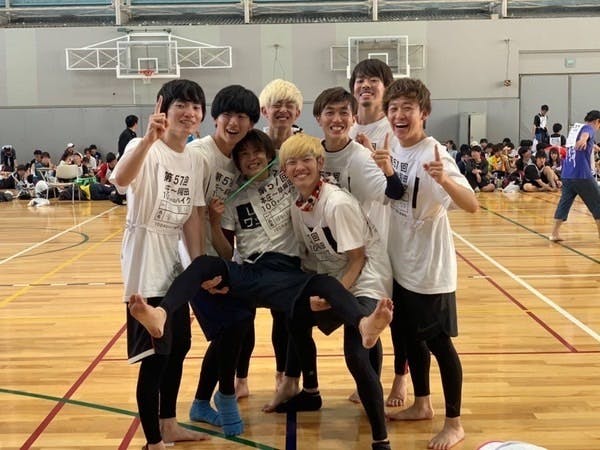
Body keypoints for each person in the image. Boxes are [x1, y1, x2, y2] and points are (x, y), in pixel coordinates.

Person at [109, 79, 210, 450]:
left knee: (179, 346)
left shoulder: (194, 158)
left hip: (173, 261)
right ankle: (153, 441)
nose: (189, 113)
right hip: (144, 257)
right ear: (163, 108)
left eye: (196, 107)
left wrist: (196, 267)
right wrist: (149, 140)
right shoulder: (142, 145)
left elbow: (192, 217)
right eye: (181, 105)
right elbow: (120, 180)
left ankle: (169, 425)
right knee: (156, 356)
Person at [380, 78, 478, 450]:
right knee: (409, 338)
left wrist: (445, 180)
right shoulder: (394, 146)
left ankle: (454, 424)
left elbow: (472, 204)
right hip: (401, 264)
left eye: (407, 107)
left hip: (429, 270)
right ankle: (422, 403)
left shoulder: (434, 153)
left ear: (424, 112)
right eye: (394, 108)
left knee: (439, 345)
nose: (399, 115)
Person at [281, 132, 395, 450]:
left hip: (367, 276)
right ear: (285, 170)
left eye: (307, 160)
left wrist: (332, 296)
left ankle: (381, 438)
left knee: (356, 353)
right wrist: (312, 296)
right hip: (336, 277)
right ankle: (311, 392)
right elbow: (311, 259)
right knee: (295, 315)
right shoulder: (298, 206)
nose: (300, 167)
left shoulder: (337, 204)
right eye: (292, 162)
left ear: (320, 163)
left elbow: (357, 259)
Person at [186, 84, 259, 402]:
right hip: (193, 260)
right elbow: (188, 217)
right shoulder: (199, 156)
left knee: (242, 321)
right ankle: (212, 398)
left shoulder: (239, 161)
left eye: (242, 116)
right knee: (232, 326)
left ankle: (218, 394)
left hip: (221, 258)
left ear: (252, 123)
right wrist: (197, 270)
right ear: (214, 117)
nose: (233, 122)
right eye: (227, 114)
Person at [347, 58, 409, 408]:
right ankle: (368, 380)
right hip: (356, 235)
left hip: (391, 232)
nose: (365, 85)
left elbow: (400, 185)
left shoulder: (392, 130)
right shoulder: (346, 126)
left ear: (385, 89)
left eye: (374, 80)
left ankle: (401, 378)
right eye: (360, 79)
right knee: (367, 312)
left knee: (395, 314)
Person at [258, 78, 306, 391]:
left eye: (290, 106)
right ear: (265, 110)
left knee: (290, 315)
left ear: (298, 112)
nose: (283, 110)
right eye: (277, 104)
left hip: (296, 242)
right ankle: (242, 378)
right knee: (255, 314)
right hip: (259, 242)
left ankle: (288, 376)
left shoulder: (304, 146)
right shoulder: (252, 145)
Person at [550, 110, 600, 242]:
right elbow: (586, 134)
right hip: (581, 175)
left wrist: (592, 145)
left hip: (567, 174)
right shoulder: (589, 128)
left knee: (564, 204)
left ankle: (554, 233)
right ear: (597, 121)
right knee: (598, 203)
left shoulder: (575, 129)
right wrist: (584, 139)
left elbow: (576, 147)